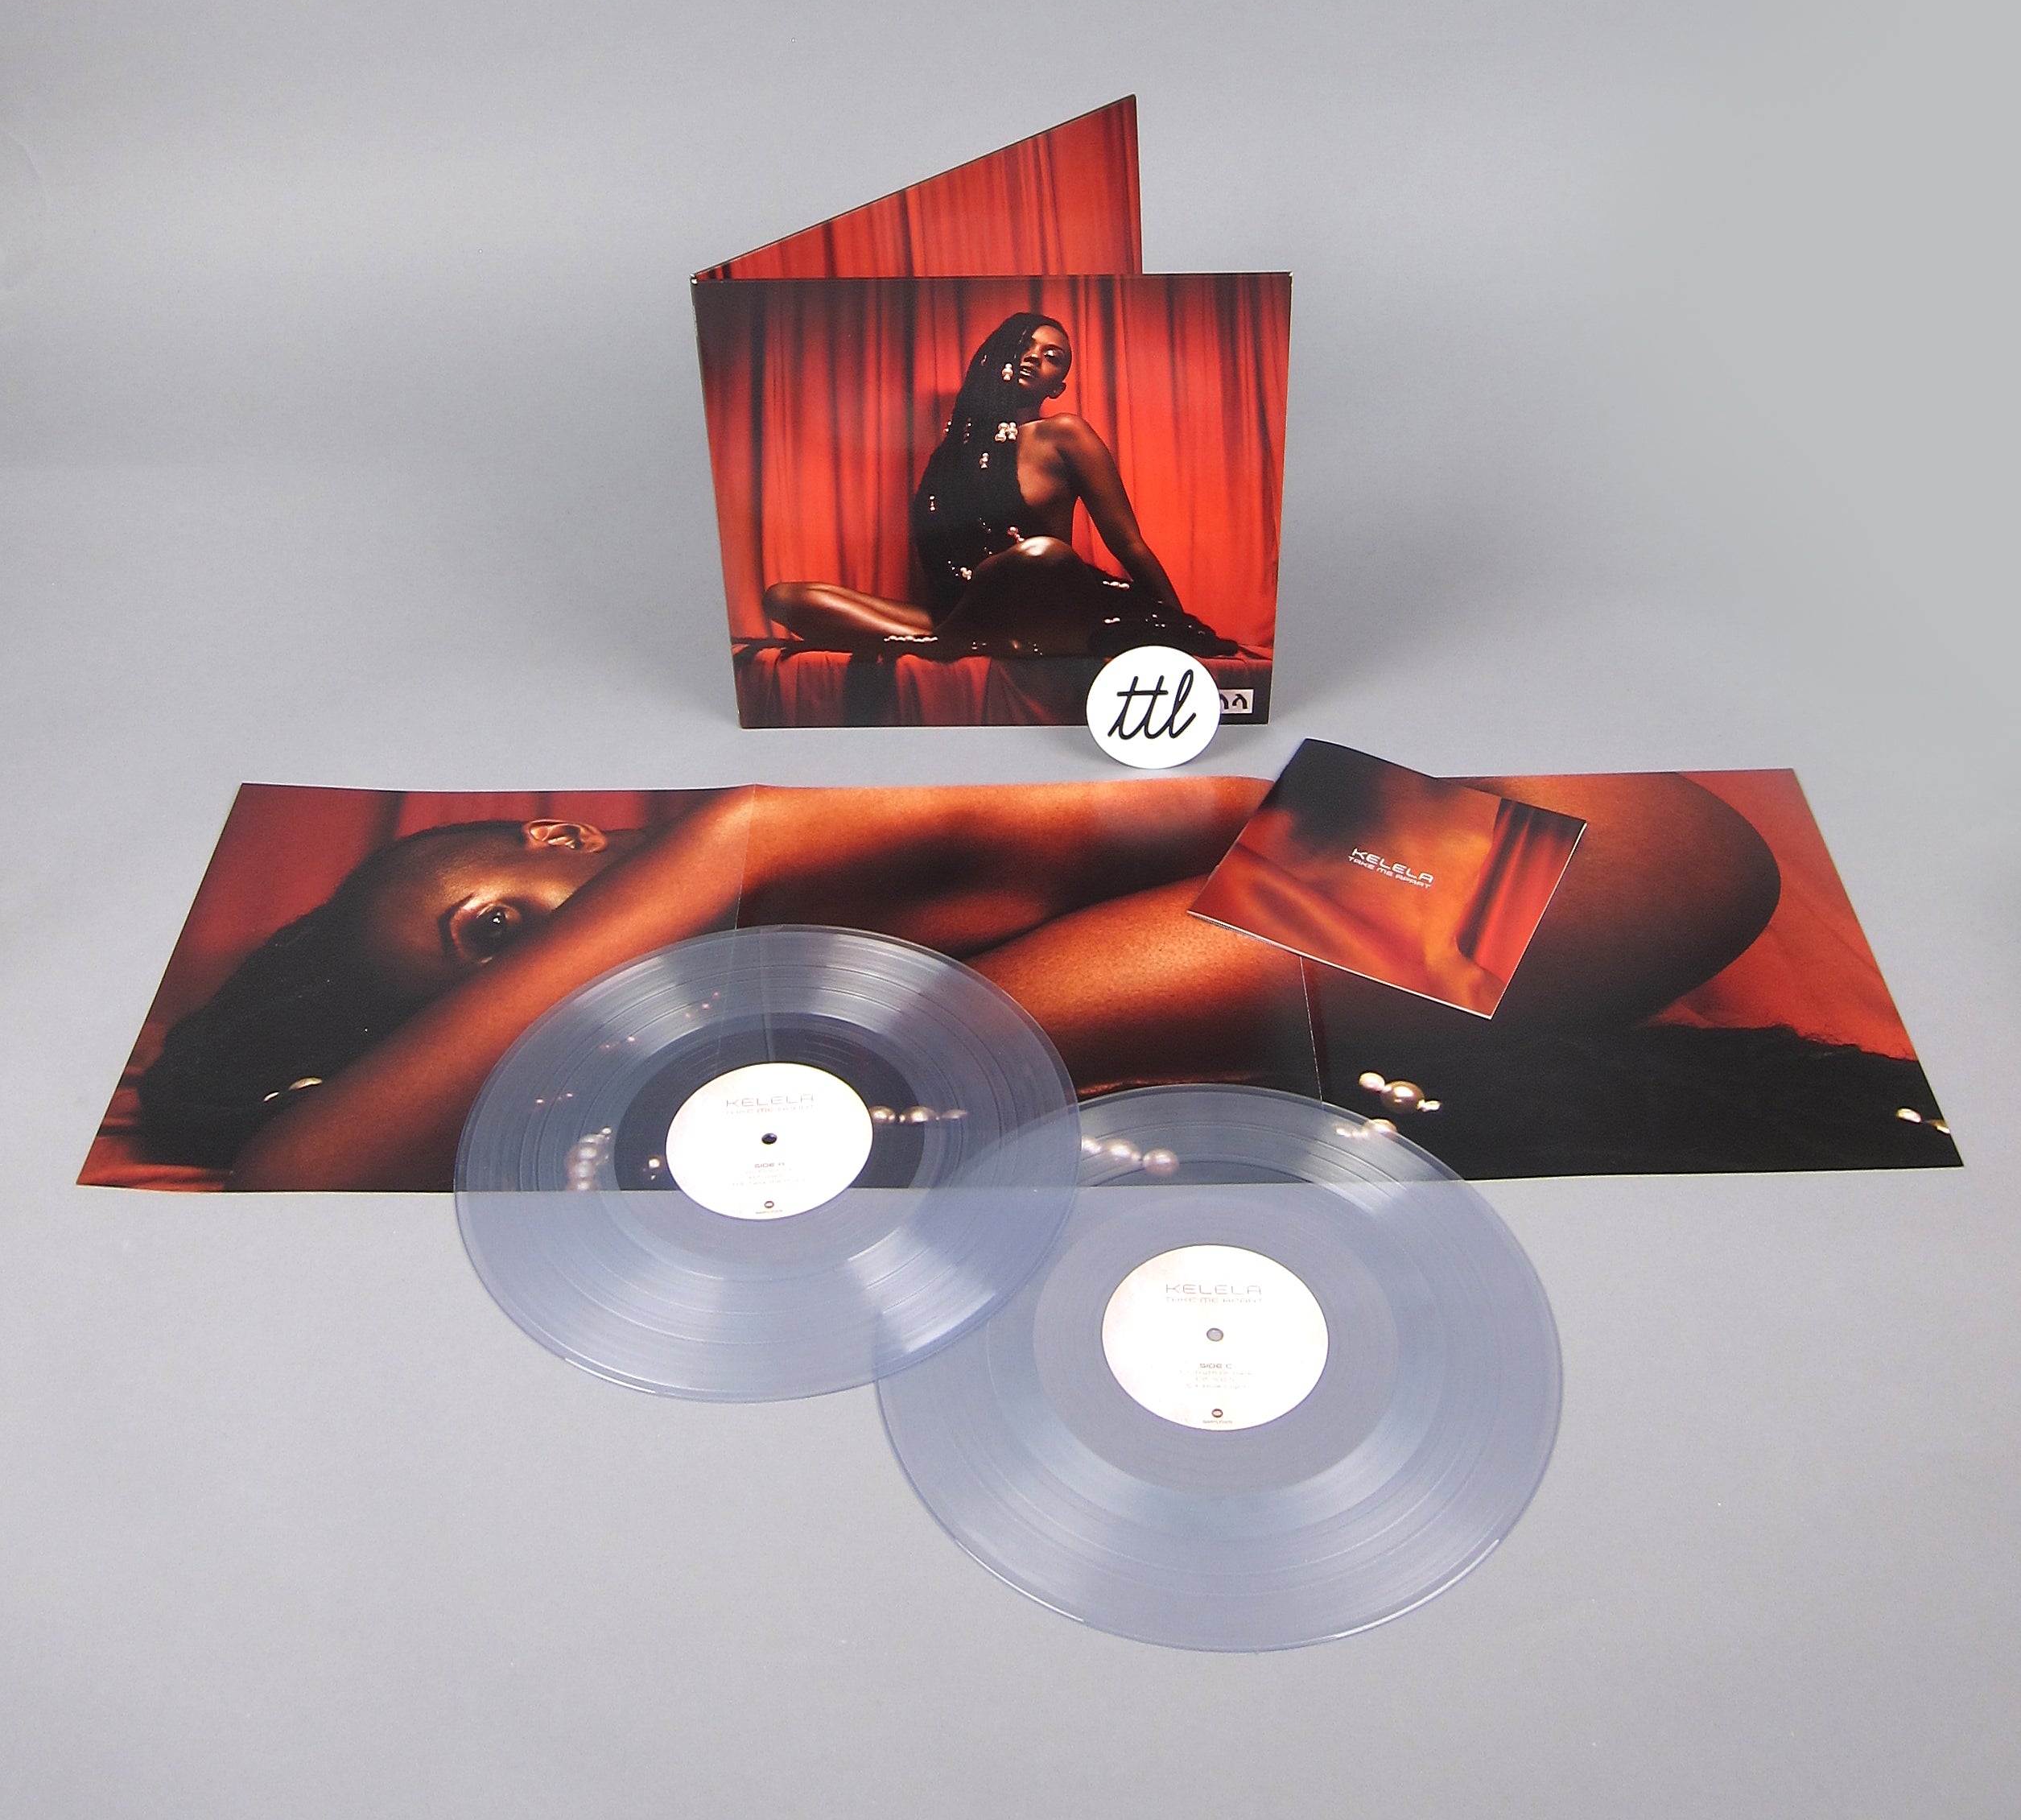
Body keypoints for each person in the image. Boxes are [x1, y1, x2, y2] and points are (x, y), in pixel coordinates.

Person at [135, 774, 1837, 1192]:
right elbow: (302, 1170)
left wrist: (770, 833)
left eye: (541, 856)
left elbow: (1673, 859)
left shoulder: (905, 865)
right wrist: (719, 853)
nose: (565, 892)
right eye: (497, 944)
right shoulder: (898, 988)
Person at [761, 313, 1236, 659]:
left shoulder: (1064, 434)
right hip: (964, 611)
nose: (1034, 357)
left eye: (1053, 358)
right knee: (784, 597)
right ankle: (955, 641)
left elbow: (1128, 543)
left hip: (1048, 608)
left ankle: (948, 642)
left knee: (1044, 554)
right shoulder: (951, 456)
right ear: (996, 355)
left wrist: (1180, 623)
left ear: (1057, 387)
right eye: (1025, 345)